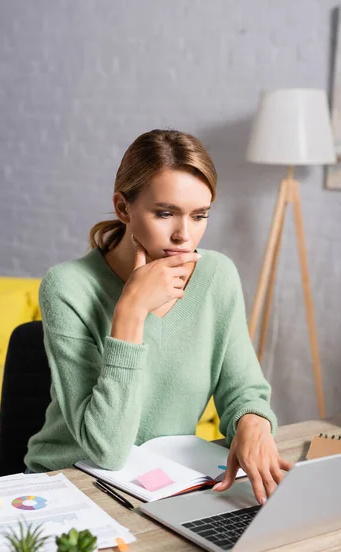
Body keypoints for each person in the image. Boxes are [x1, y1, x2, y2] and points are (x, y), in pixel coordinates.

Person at [24, 129, 292, 504]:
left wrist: (252, 424)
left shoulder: (217, 275)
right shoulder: (67, 287)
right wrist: (131, 310)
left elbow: (244, 390)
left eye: (199, 215)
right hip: (70, 484)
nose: (184, 234)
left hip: (166, 485)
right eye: (165, 213)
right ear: (123, 208)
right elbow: (107, 450)